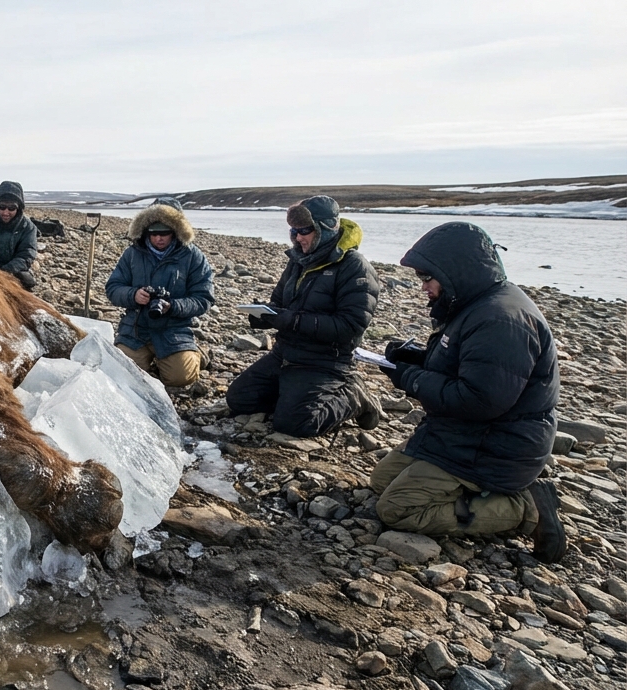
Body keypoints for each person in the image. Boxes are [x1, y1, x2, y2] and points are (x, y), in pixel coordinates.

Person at [370, 222, 565, 562]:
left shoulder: (500, 320)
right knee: (382, 480)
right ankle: (473, 492)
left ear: (455, 271)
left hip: (495, 446)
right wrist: (413, 358)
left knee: (397, 509)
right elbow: (465, 366)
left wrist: (412, 379)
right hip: (462, 435)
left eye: (427, 278)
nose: (424, 287)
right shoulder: (475, 303)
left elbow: (479, 400)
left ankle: (524, 507)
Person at [225, 195, 382, 436]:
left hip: (325, 362)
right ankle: (293, 395)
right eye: (294, 231)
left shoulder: (354, 267)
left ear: (326, 228)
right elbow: (278, 301)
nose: (297, 237)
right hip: (284, 353)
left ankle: (354, 395)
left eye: (305, 230)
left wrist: (291, 319)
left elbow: (350, 326)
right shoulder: (299, 260)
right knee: (239, 399)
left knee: (295, 424)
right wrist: (264, 315)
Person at [104, 198, 213, 387]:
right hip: (136, 329)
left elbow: (204, 298)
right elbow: (113, 287)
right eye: (153, 233)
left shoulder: (193, 256)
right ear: (145, 230)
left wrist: (174, 306)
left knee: (180, 379)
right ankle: (154, 360)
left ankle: (197, 354)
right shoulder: (132, 254)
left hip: (173, 330)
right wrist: (133, 295)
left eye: (164, 233)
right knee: (121, 373)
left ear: (176, 231)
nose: (158, 238)